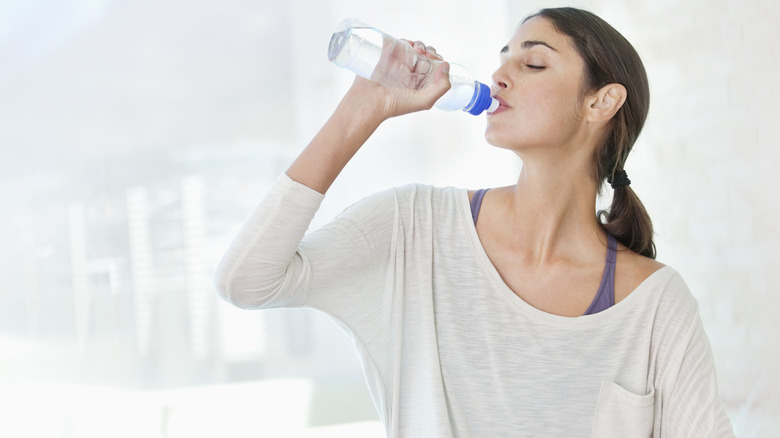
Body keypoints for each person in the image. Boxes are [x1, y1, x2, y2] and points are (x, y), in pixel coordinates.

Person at [214, 7, 735, 437]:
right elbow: (247, 281)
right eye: (502, 60)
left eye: (533, 65)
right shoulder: (414, 228)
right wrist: (364, 107)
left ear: (602, 101)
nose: (499, 77)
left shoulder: (655, 305)